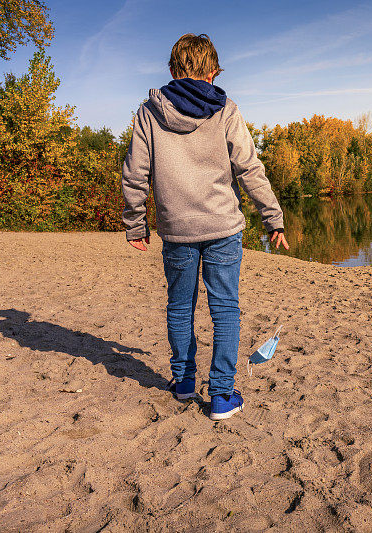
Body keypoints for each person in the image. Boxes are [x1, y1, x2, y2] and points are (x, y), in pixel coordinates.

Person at [122, 33, 288, 421]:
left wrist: (136, 224)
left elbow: (135, 174)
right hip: (222, 228)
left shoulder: (150, 111)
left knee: (180, 306)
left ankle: (182, 383)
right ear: (213, 72)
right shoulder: (226, 110)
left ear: (172, 70)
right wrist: (273, 217)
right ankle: (221, 395)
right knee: (225, 310)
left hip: (177, 229)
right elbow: (249, 168)